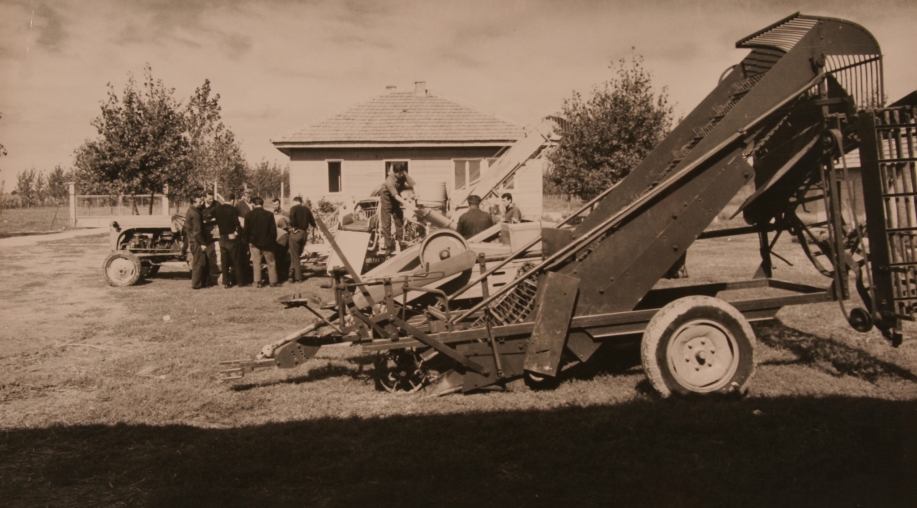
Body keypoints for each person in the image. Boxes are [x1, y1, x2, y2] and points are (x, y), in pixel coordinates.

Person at [378, 165, 416, 254]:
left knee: (399, 221)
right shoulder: (389, 181)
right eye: (399, 174)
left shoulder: (403, 173)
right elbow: (396, 196)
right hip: (387, 200)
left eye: (402, 173)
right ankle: (389, 246)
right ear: (394, 173)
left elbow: (413, 184)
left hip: (396, 199)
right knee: (386, 224)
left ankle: (401, 243)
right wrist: (408, 204)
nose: (401, 175)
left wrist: (416, 195)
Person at [243, 197, 279, 287]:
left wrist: (247, 241)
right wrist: (272, 240)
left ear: (253, 204)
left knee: (256, 262)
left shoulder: (248, 215)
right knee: (271, 262)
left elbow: (246, 231)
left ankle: (257, 281)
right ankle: (273, 281)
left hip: (254, 243)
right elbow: (273, 230)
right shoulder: (269, 214)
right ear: (262, 204)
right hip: (267, 242)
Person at [214, 193, 247, 288]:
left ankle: (226, 282)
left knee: (224, 262)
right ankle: (240, 281)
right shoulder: (233, 209)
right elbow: (236, 223)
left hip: (222, 237)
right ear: (232, 200)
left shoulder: (218, 209)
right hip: (231, 236)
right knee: (236, 260)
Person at [183, 193, 210, 289]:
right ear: (194, 203)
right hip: (197, 242)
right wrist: (202, 243)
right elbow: (197, 232)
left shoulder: (190, 211)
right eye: (199, 202)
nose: (201, 203)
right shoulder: (196, 214)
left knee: (199, 262)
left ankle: (200, 283)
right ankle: (196, 284)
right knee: (199, 263)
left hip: (193, 240)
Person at [288, 196, 316, 283]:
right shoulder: (307, 209)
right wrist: (314, 226)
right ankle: (291, 272)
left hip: (296, 232)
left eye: (293, 202)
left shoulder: (293, 208)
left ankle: (298, 277)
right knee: (297, 254)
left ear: (295, 201)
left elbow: (292, 218)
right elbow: (312, 221)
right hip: (304, 233)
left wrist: (293, 227)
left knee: (295, 255)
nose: (292, 204)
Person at [202, 190, 221, 284]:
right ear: (204, 198)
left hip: (213, 231)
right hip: (203, 232)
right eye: (209, 199)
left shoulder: (217, 205)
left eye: (212, 198)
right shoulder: (201, 205)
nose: (211, 200)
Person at [272, 198, 291, 283]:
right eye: (274, 205)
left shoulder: (284, 213)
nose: (275, 206)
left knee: (283, 256)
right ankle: (279, 273)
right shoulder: (272, 213)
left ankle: (284, 273)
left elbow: (286, 227)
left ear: (279, 204)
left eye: (276, 204)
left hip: (283, 236)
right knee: (278, 256)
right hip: (276, 237)